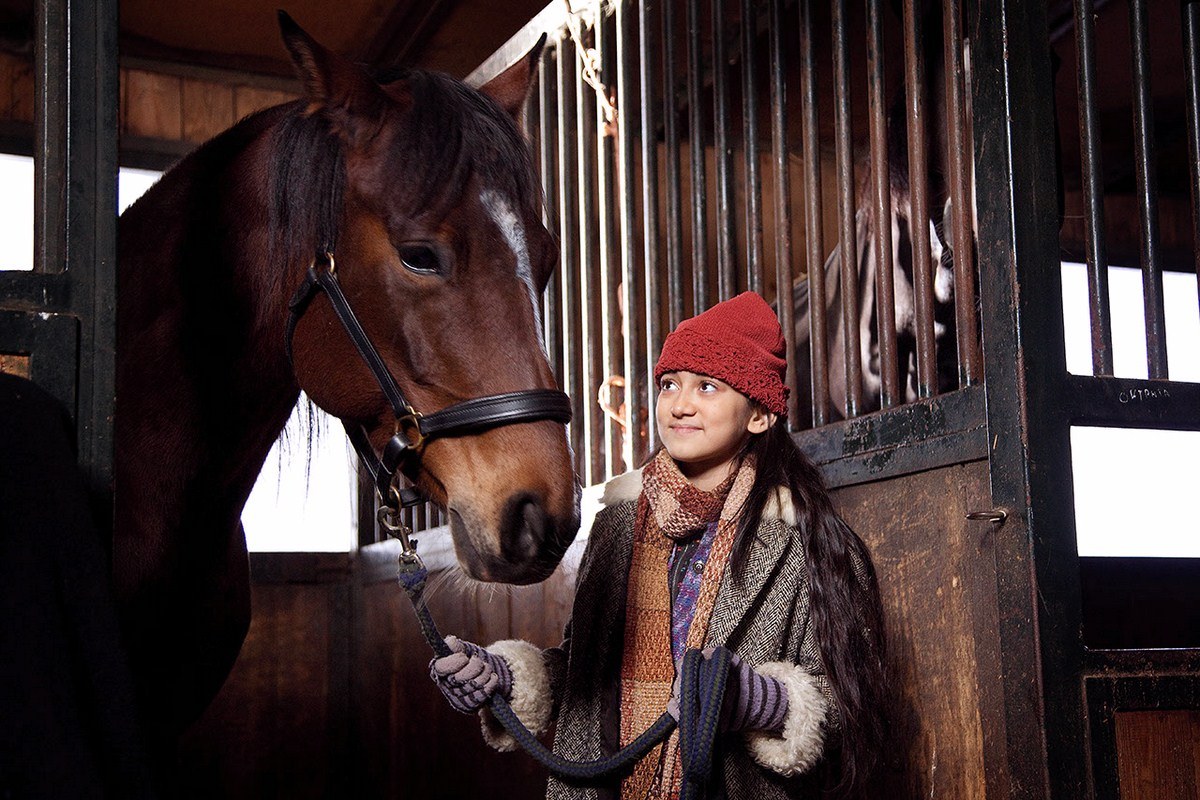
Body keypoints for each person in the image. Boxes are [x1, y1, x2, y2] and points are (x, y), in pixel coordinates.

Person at [429, 292, 888, 799]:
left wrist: (756, 700)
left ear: (759, 415)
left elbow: (849, 712)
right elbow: (589, 678)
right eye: (671, 384)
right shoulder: (617, 525)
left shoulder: (809, 542)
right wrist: (505, 678)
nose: (680, 404)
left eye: (707, 387)